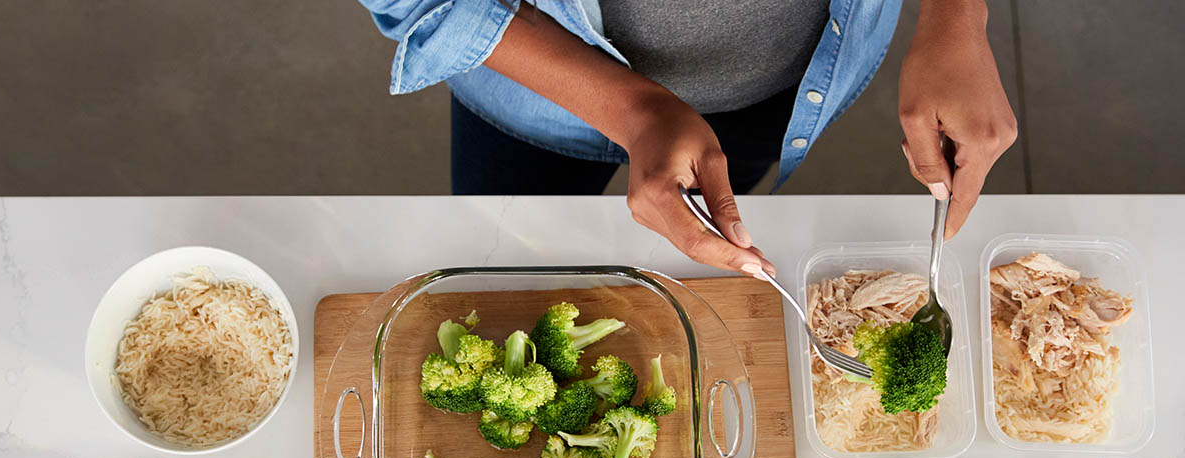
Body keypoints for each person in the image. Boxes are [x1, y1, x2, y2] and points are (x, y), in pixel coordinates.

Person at [357, 0, 1016, 276]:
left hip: (773, 81)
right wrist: (634, 109)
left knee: (714, 228)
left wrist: (957, 18)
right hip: (527, 82)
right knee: (500, 266)